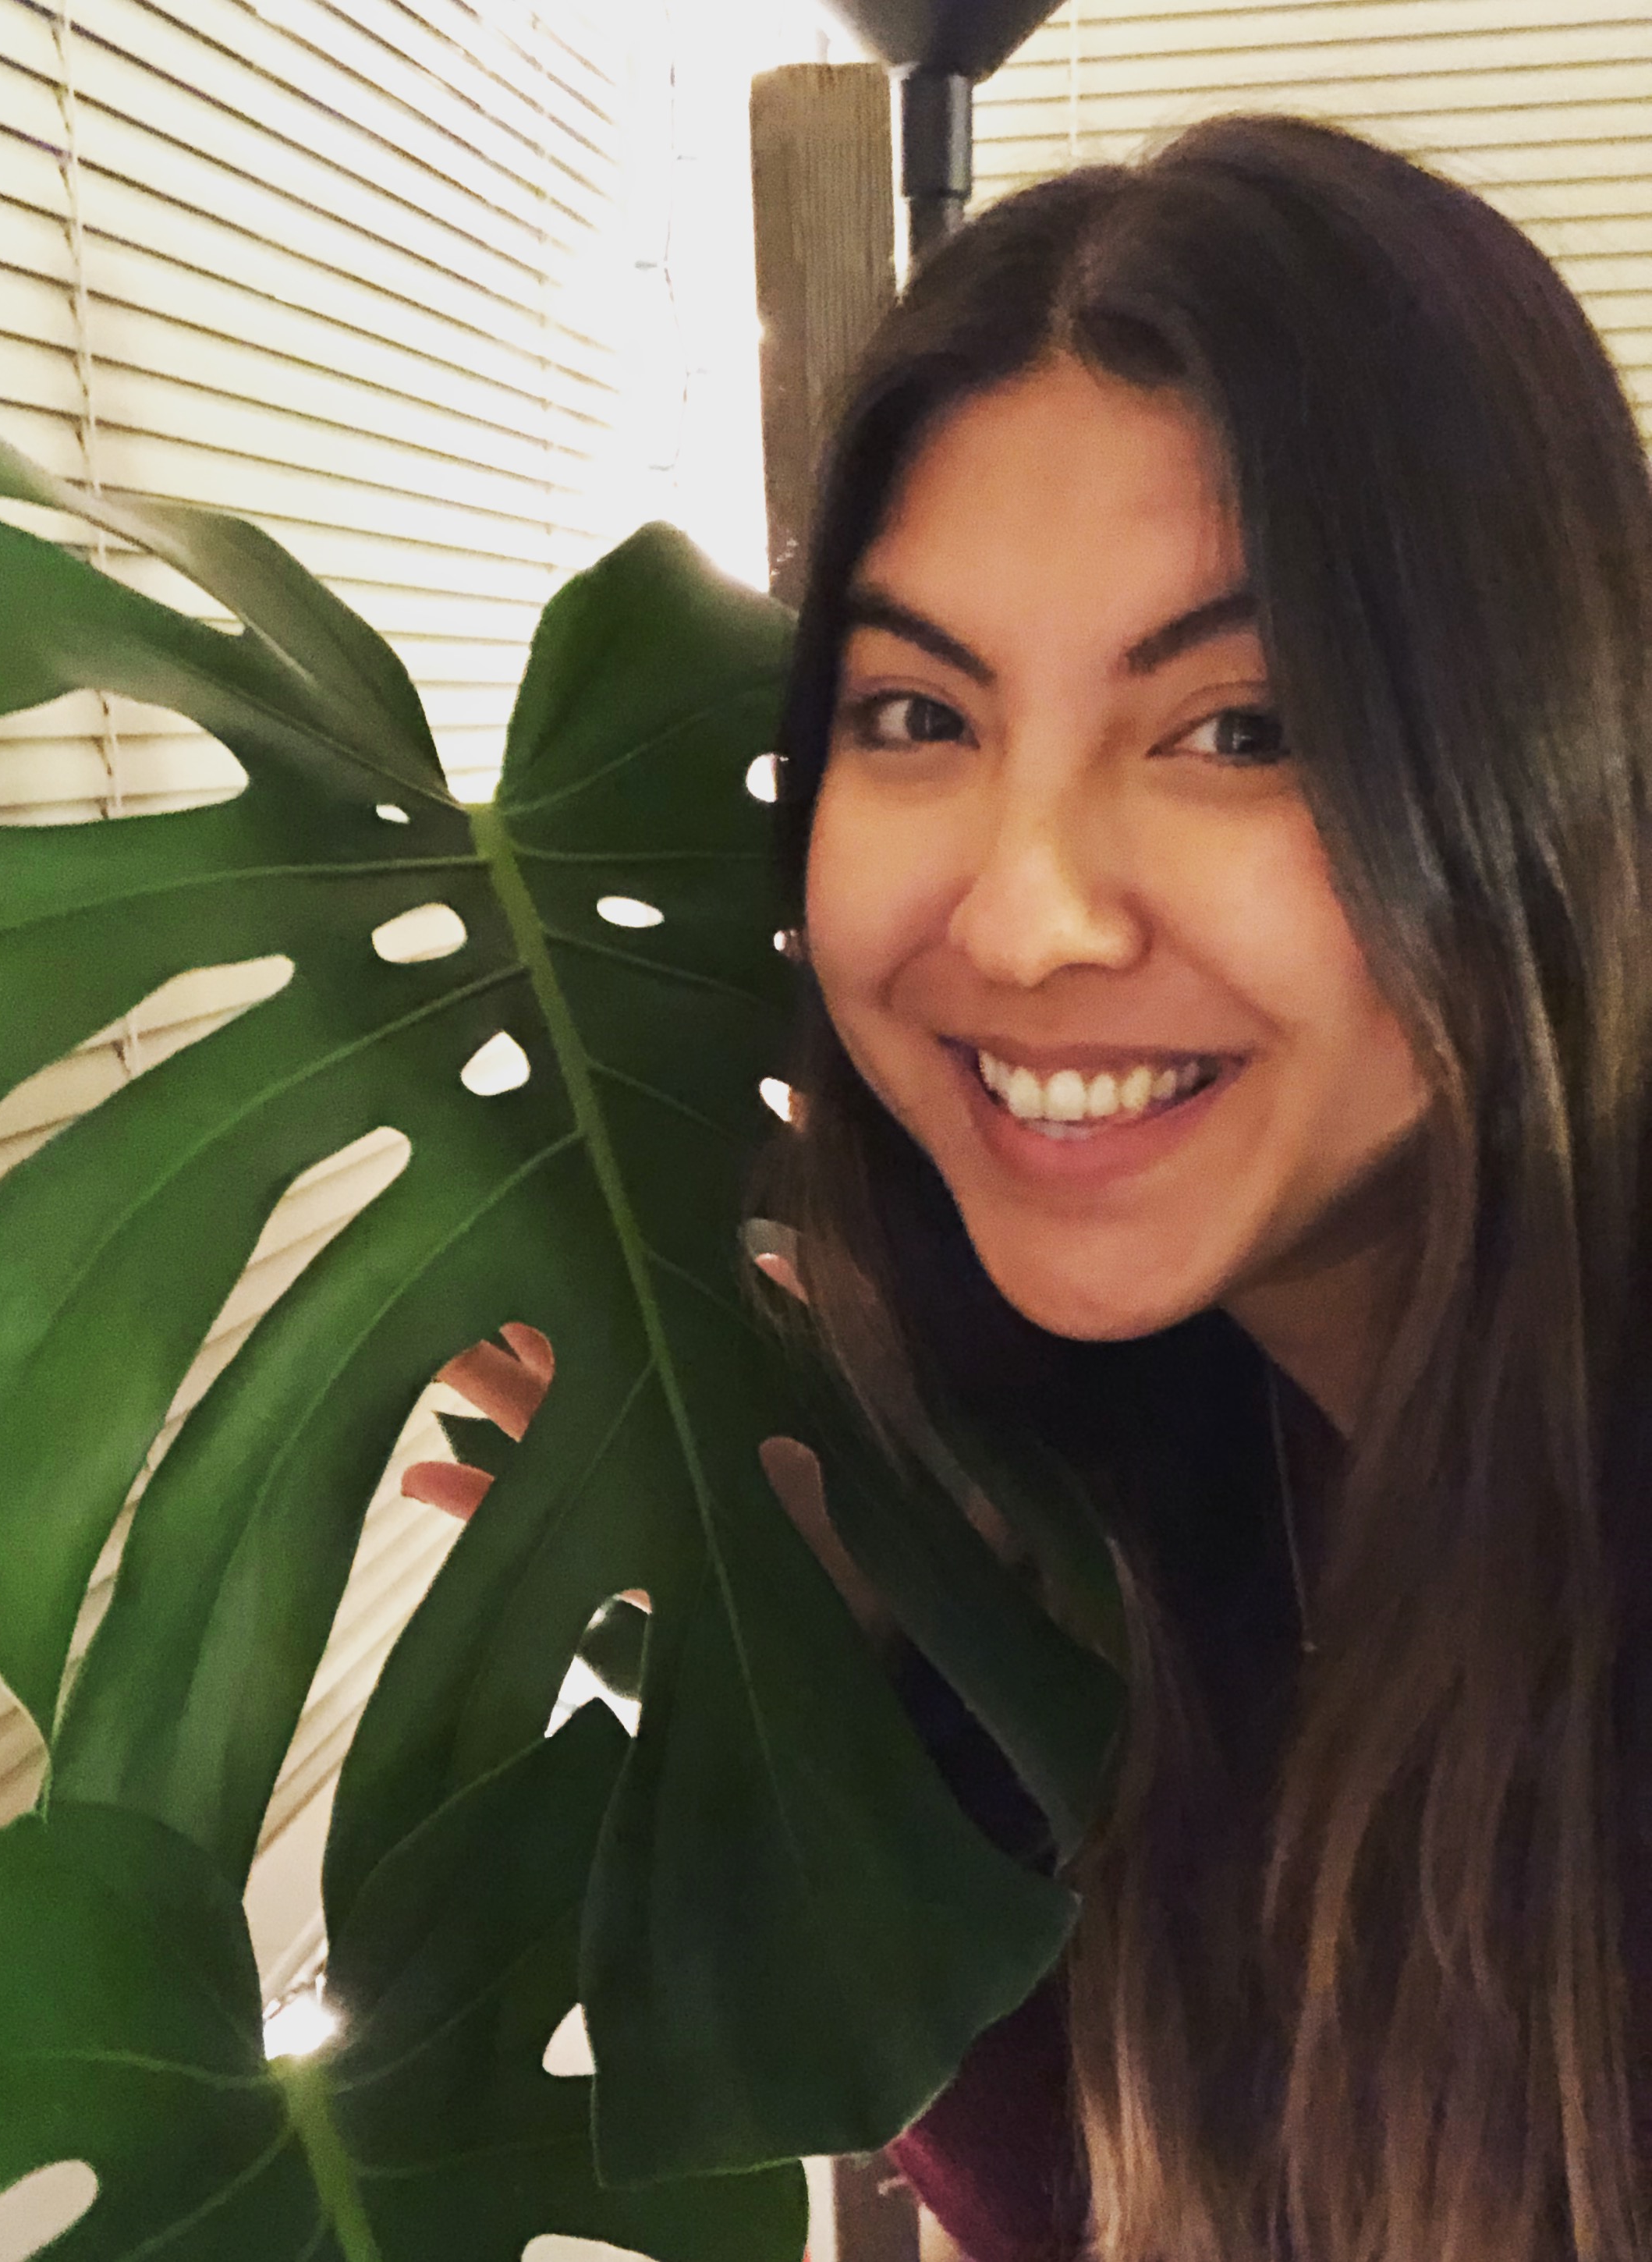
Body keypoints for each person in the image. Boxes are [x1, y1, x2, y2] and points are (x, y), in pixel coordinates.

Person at [411, 115, 1652, 2262]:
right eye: (916, 712)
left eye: (1239, 728)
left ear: (1543, 757)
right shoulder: (1178, 1450)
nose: (1031, 911)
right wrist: (885, 1662)